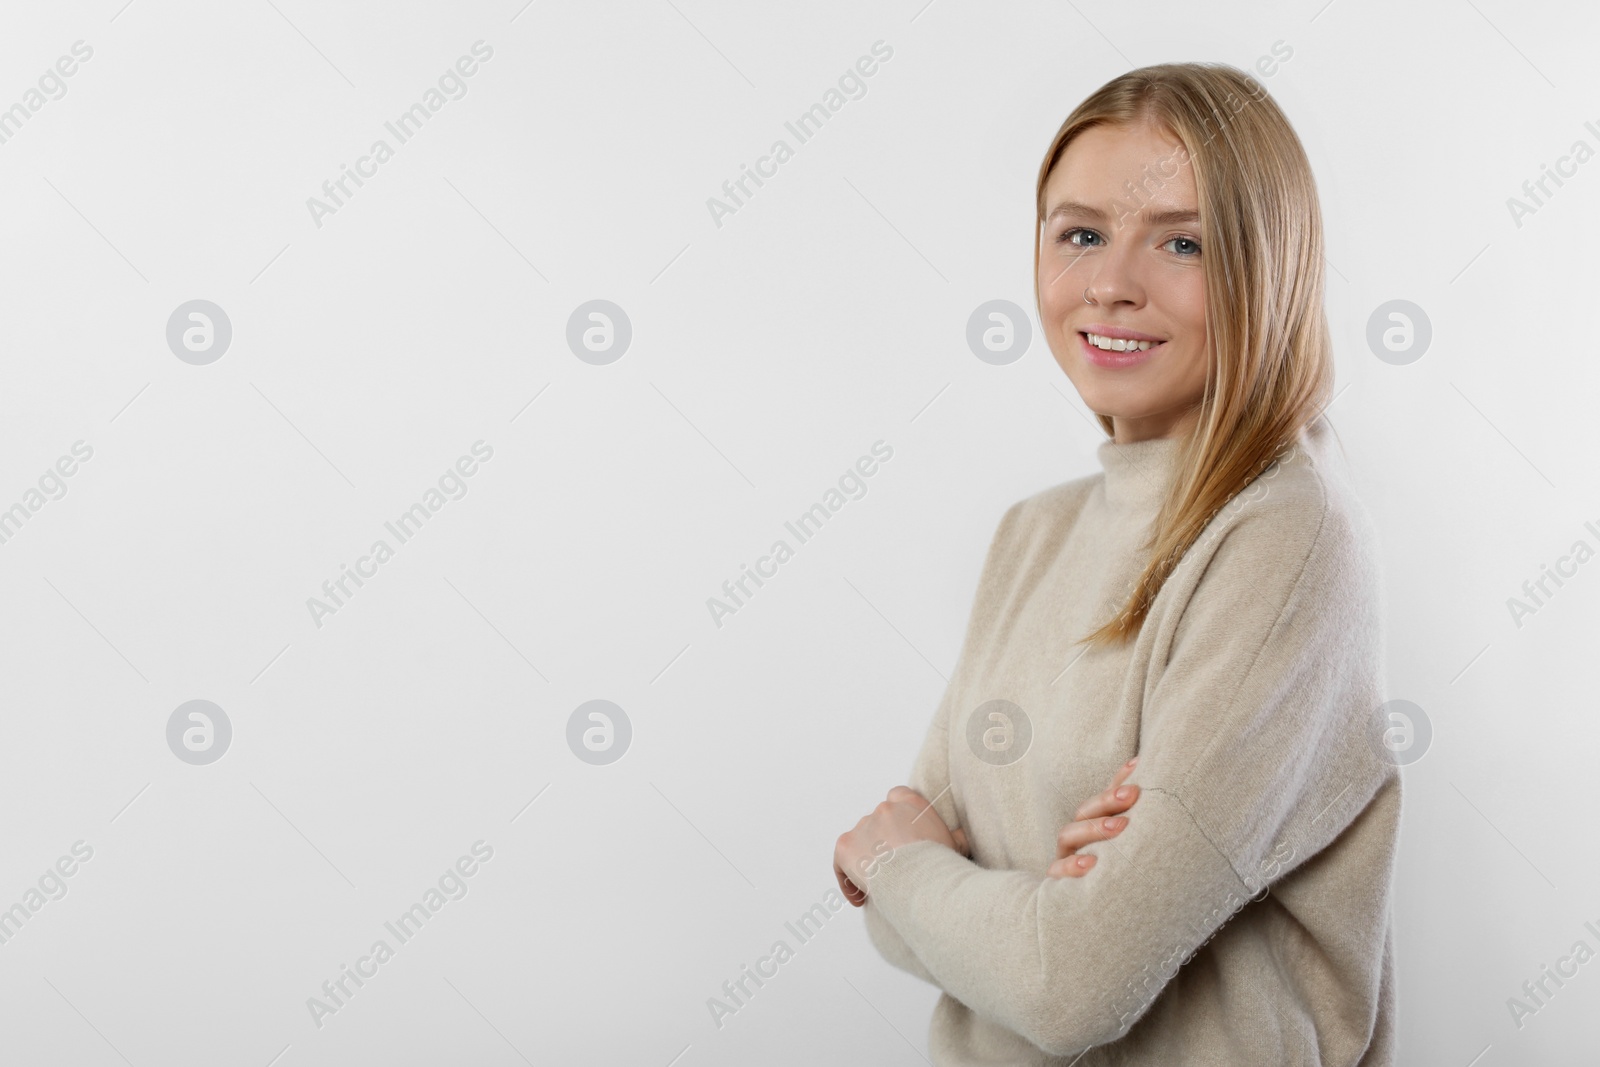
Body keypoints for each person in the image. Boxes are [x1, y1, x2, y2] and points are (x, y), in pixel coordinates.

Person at [832, 62, 1401, 1065]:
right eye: (1080, 232)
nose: (1110, 282)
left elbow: (1068, 983)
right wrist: (967, 892)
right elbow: (902, 913)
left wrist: (902, 866)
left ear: (1265, 266)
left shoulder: (1282, 537)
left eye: (1180, 240)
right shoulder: (1032, 533)